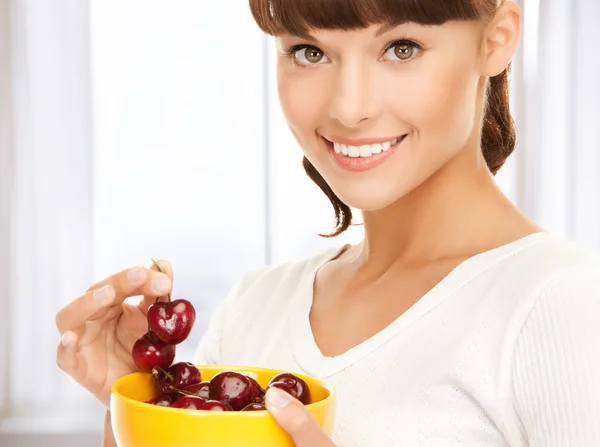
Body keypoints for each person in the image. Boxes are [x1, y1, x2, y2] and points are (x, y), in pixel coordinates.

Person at [55, 0, 600, 445]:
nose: (349, 107)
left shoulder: (562, 304)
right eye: (309, 51)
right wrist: (140, 410)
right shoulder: (254, 307)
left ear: (497, 39)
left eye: (400, 48)